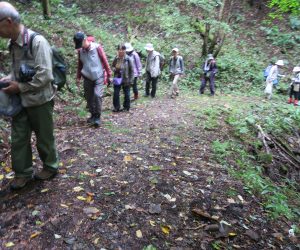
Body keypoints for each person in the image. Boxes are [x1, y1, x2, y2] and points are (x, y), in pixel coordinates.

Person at [0, 2, 58, 189]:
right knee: (18, 137)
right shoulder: (12, 44)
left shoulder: (37, 42)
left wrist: (20, 87)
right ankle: (22, 173)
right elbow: (17, 71)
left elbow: (45, 75)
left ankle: (50, 166)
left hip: (40, 100)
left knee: (44, 136)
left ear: (8, 21)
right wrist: (9, 79)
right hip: (20, 101)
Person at [74, 32, 111, 127]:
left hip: (99, 76)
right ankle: (93, 115)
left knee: (97, 95)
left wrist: (109, 74)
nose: (79, 47)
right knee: (89, 97)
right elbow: (80, 64)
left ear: (85, 40)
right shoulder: (80, 51)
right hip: (87, 77)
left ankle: (98, 116)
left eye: (80, 44)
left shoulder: (97, 48)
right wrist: (78, 77)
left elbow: (104, 60)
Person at [111, 44, 134, 112]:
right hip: (117, 78)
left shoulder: (128, 59)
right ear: (118, 50)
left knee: (127, 94)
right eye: (119, 49)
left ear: (125, 50)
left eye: (122, 49)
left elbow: (132, 70)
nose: (121, 51)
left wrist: (131, 80)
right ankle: (116, 107)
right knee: (116, 93)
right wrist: (115, 69)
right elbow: (112, 66)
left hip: (126, 79)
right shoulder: (116, 58)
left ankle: (126, 107)